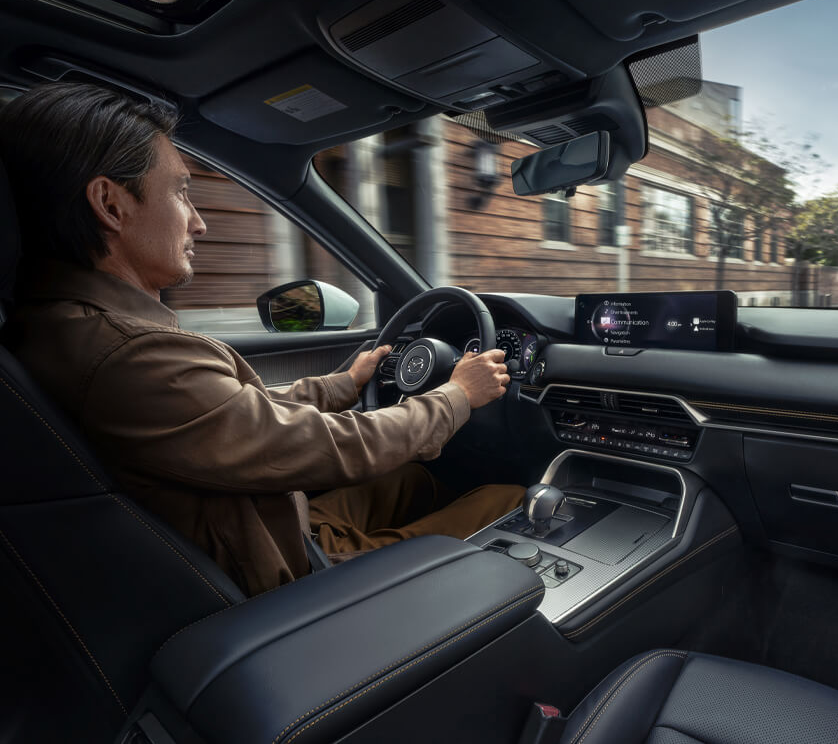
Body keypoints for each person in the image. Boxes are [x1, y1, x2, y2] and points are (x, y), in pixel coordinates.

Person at [0, 82, 524, 596]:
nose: (200, 223)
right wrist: (457, 396)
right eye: (181, 192)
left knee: (414, 481)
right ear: (110, 205)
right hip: (294, 577)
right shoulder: (129, 355)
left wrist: (343, 384)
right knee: (509, 495)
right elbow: (329, 445)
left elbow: (229, 414)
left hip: (268, 527)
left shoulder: (58, 328)